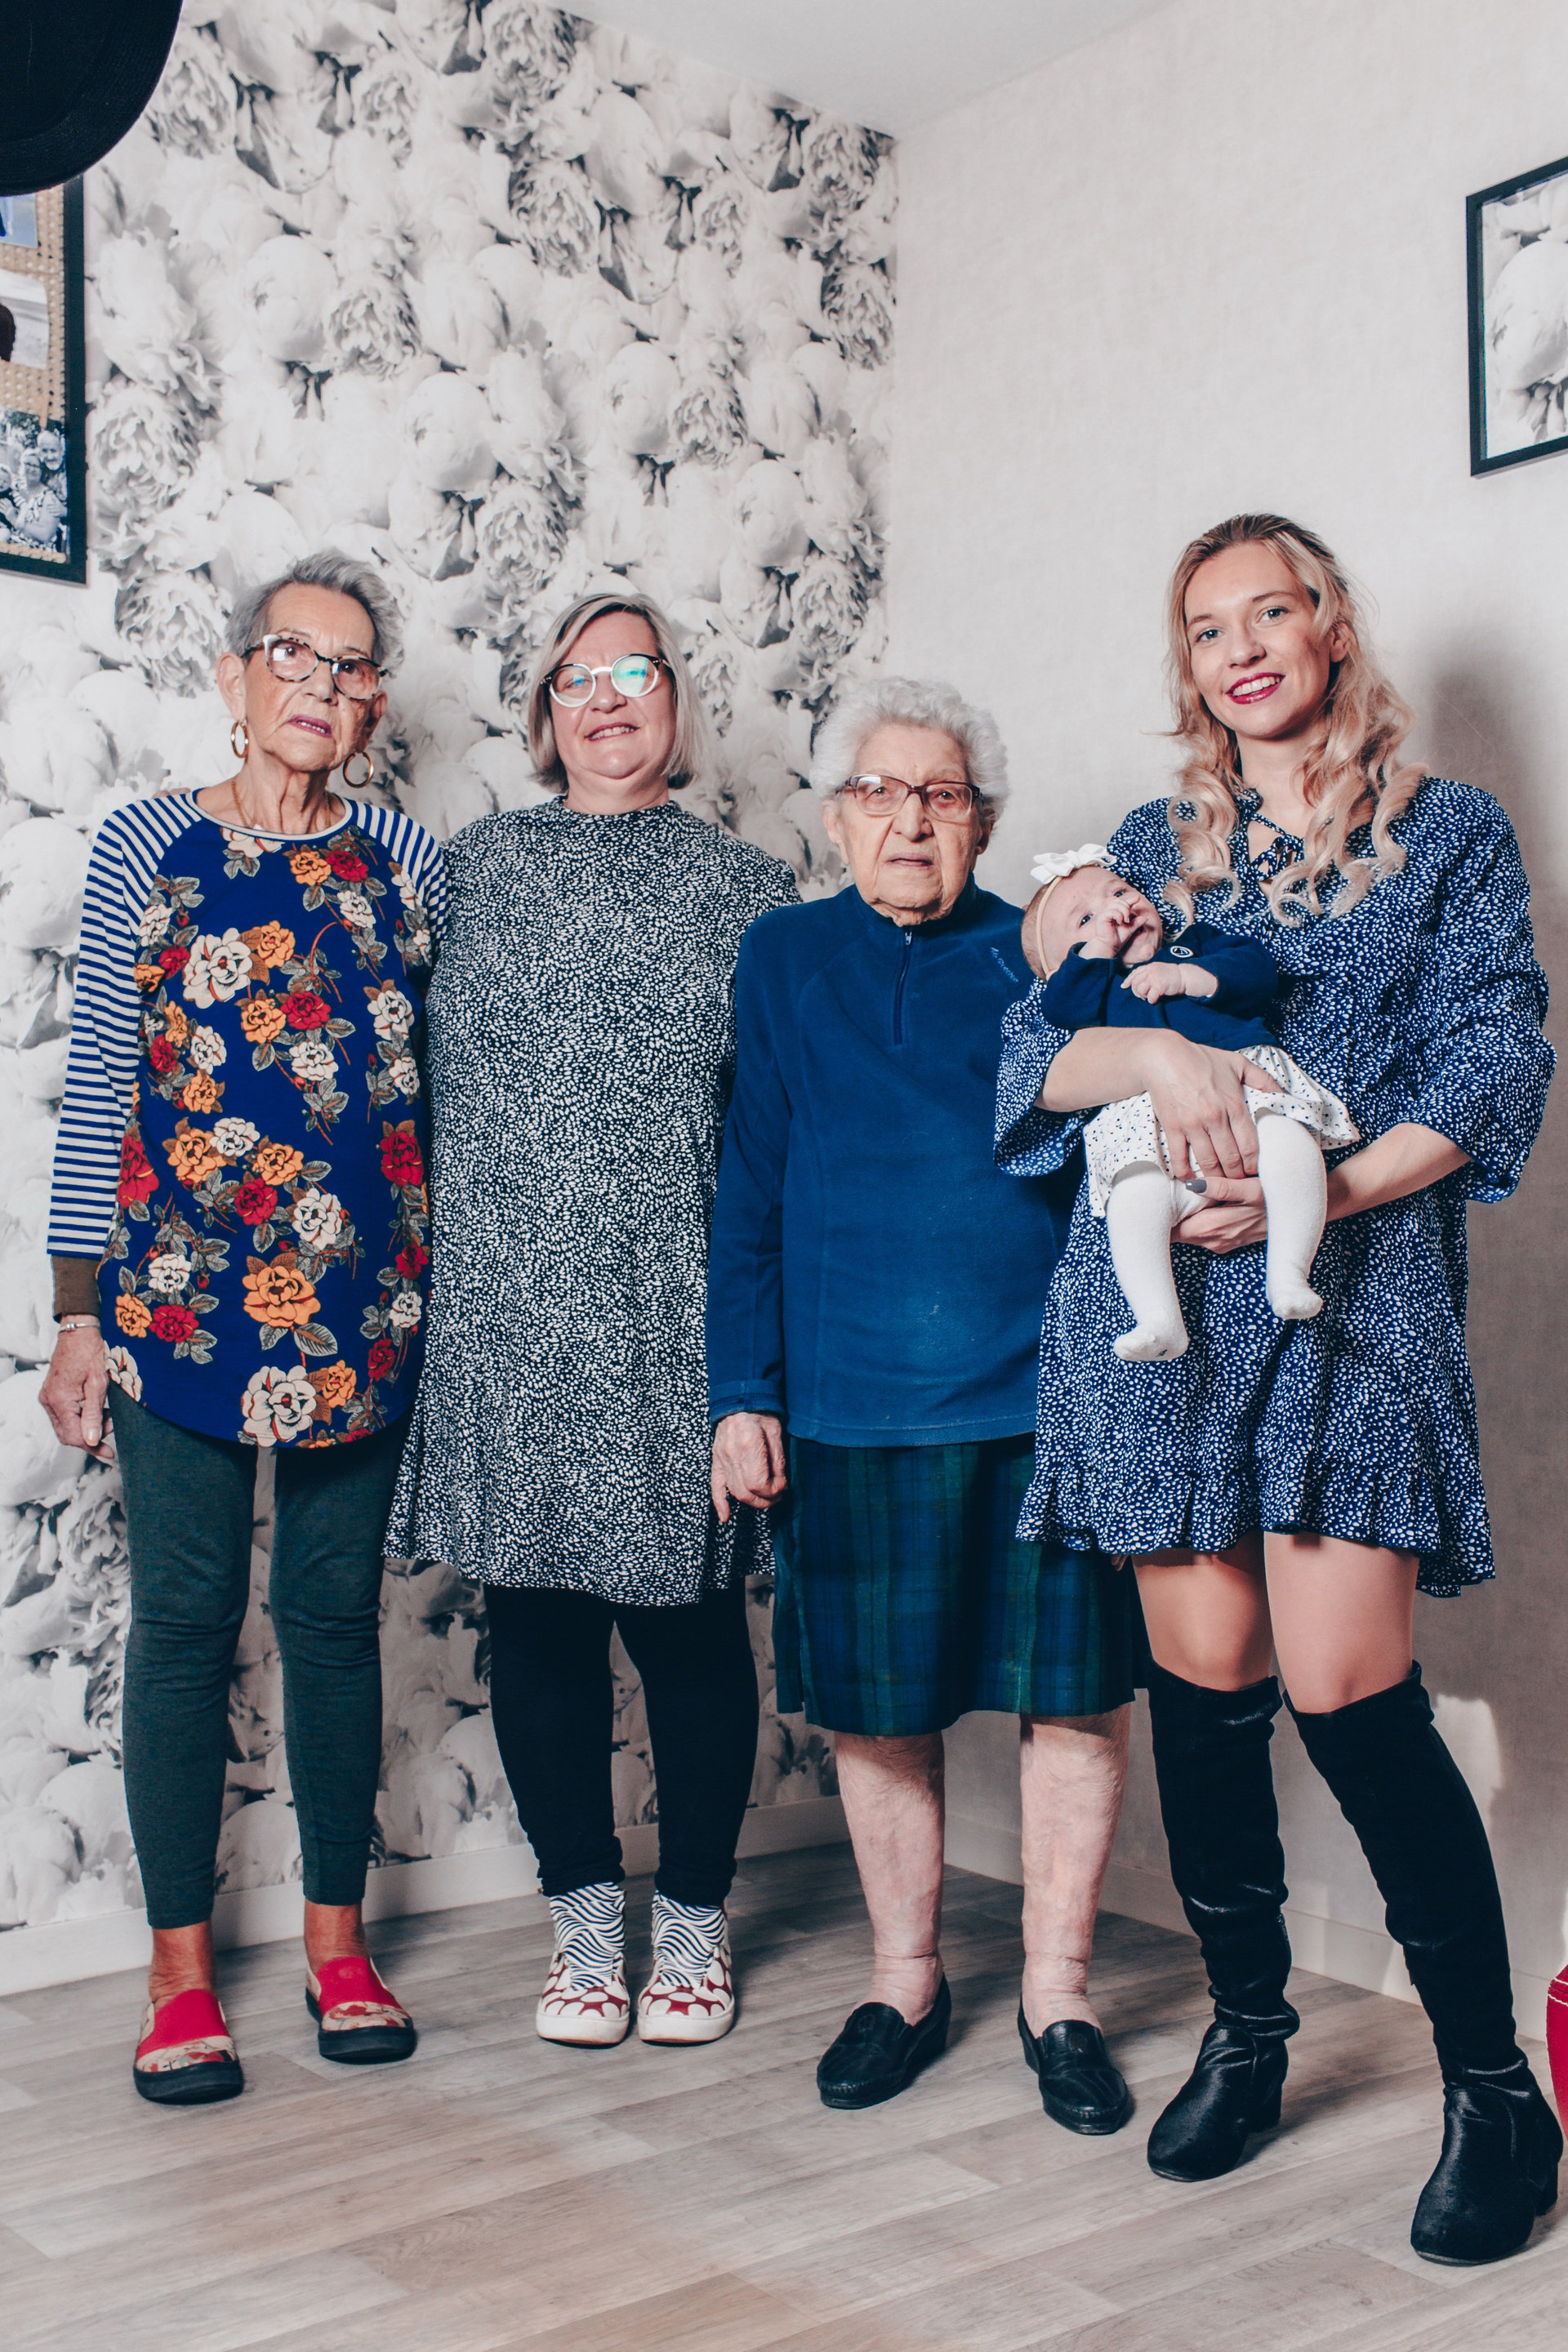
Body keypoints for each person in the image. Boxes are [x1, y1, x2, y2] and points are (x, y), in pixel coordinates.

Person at [997, 514, 1558, 2263]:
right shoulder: (1150, 849)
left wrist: (1337, 1187)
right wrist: (1162, 1054)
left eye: (1270, 612)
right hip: (1156, 1324)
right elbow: (1030, 1059)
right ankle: (1249, 2036)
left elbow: (1497, 1055)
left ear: (1328, 629)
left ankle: (1496, 2095)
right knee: (1208, 1687)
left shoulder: (1449, 833)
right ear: (1191, 663)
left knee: (1351, 1692)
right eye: (1207, 625)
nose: (1241, 648)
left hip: (1352, 1304)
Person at [41, 551, 444, 2103]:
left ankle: (340, 1948)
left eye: (352, 668)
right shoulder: (144, 843)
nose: (321, 688)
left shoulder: (408, 858)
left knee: (334, 1623)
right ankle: (178, 1974)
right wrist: (77, 1314)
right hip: (176, 1304)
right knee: (186, 1624)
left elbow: (449, 1084)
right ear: (233, 677)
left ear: (374, 706)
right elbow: (100, 1081)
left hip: (364, 1305)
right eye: (294, 655)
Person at [706, 678, 1137, 2129]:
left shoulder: (1042, 953)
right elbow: (751, 1182)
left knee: (1071, 1699)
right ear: (836, 818)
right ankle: (905, 1981)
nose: (910, 820)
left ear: (984, 823)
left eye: (941, 795)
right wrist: (741, 1391)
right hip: (848, 1398)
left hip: (1046, 1397)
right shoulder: (783, 956)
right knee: (877, 1710)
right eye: (881, 793)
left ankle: (1059, 1996)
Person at [387, 591, 797, 2049]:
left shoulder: (751, 891)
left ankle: (690, 1926)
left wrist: (761, 1361)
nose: (608, 697)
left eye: (636, 671)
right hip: (505, 1311)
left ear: (677, 702)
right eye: (578, 678)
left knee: (689, 1630)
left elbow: (777, 1135)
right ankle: (579, 1931)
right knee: (542, 1630)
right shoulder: (475, 873)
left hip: (675, 1314)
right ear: (544, 712)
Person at [1022, 848, 1356, 1357]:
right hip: (1147, 1122)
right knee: (1134, 1194)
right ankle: (1158, 1318)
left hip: (1247, 1080)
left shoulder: (1192, 946)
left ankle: (1290, 1273)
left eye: (1120, 892)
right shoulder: (1094, 991)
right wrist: (1097, 951)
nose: (1116, 911)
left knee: (1292, 1145)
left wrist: (1189, 978)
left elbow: (1256, 970)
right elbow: (1060, 1006)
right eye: (1086, 920)